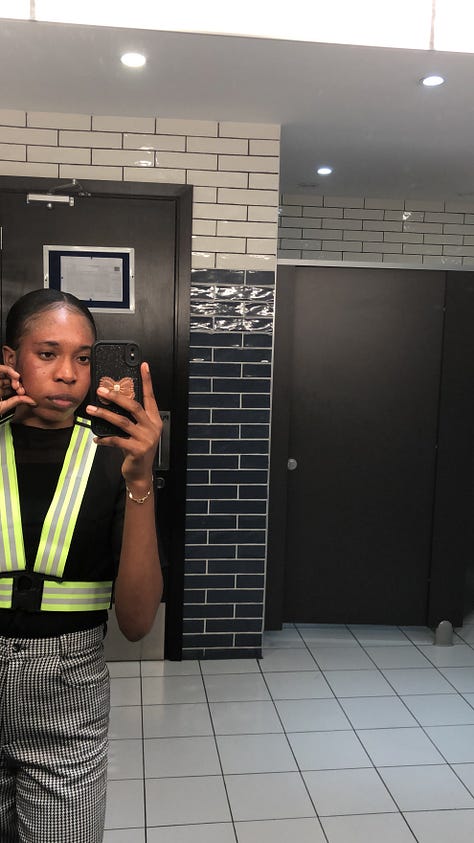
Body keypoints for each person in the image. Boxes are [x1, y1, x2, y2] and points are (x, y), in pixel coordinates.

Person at [0, 288, 163, 842]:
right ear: (10, 359)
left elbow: (137, 622)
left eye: (84, 357)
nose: (69, 374)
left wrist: (141, 481)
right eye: (47, 353)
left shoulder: (115, 457)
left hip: (68, 699)